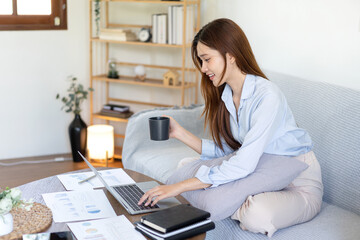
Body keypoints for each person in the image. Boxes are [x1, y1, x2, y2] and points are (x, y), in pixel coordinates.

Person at [138, 18, 323, 237]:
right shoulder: (228, 96)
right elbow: (229, 151)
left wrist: (178, 187)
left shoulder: (267, 96)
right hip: (262, 171)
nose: (204, 68)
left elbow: (243, 163)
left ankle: (232, 201)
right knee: (188, 165)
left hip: (296, 182)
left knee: (256, 214)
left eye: (207, 59)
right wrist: (179, 133)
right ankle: (232, 197)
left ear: (231, 55)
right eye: (201, 61)